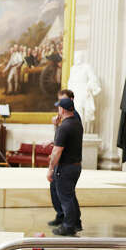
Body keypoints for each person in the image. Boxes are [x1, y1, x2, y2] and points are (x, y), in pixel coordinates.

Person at [48, 97, 84, 236]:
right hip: (75, 166)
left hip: (66, 167)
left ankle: (68, 227)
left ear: (62, 110)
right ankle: (76, 223)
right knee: (70, 196)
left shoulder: (65, 126)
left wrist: (51, 169)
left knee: (66, 198)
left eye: (59, 108)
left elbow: (57, 150)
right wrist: (57, 126)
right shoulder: (76, 123)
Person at [48, 89, 73, 227]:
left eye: (63, 101)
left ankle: (69, 223)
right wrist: (56, 126)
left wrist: (51, 167)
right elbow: (59, 138)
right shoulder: (63, 119)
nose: (60, 107)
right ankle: (61, 215)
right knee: (55, 189)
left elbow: (64, 140)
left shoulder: (72, 119)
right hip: (61, 159)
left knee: (65, 194)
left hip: (66, 161)